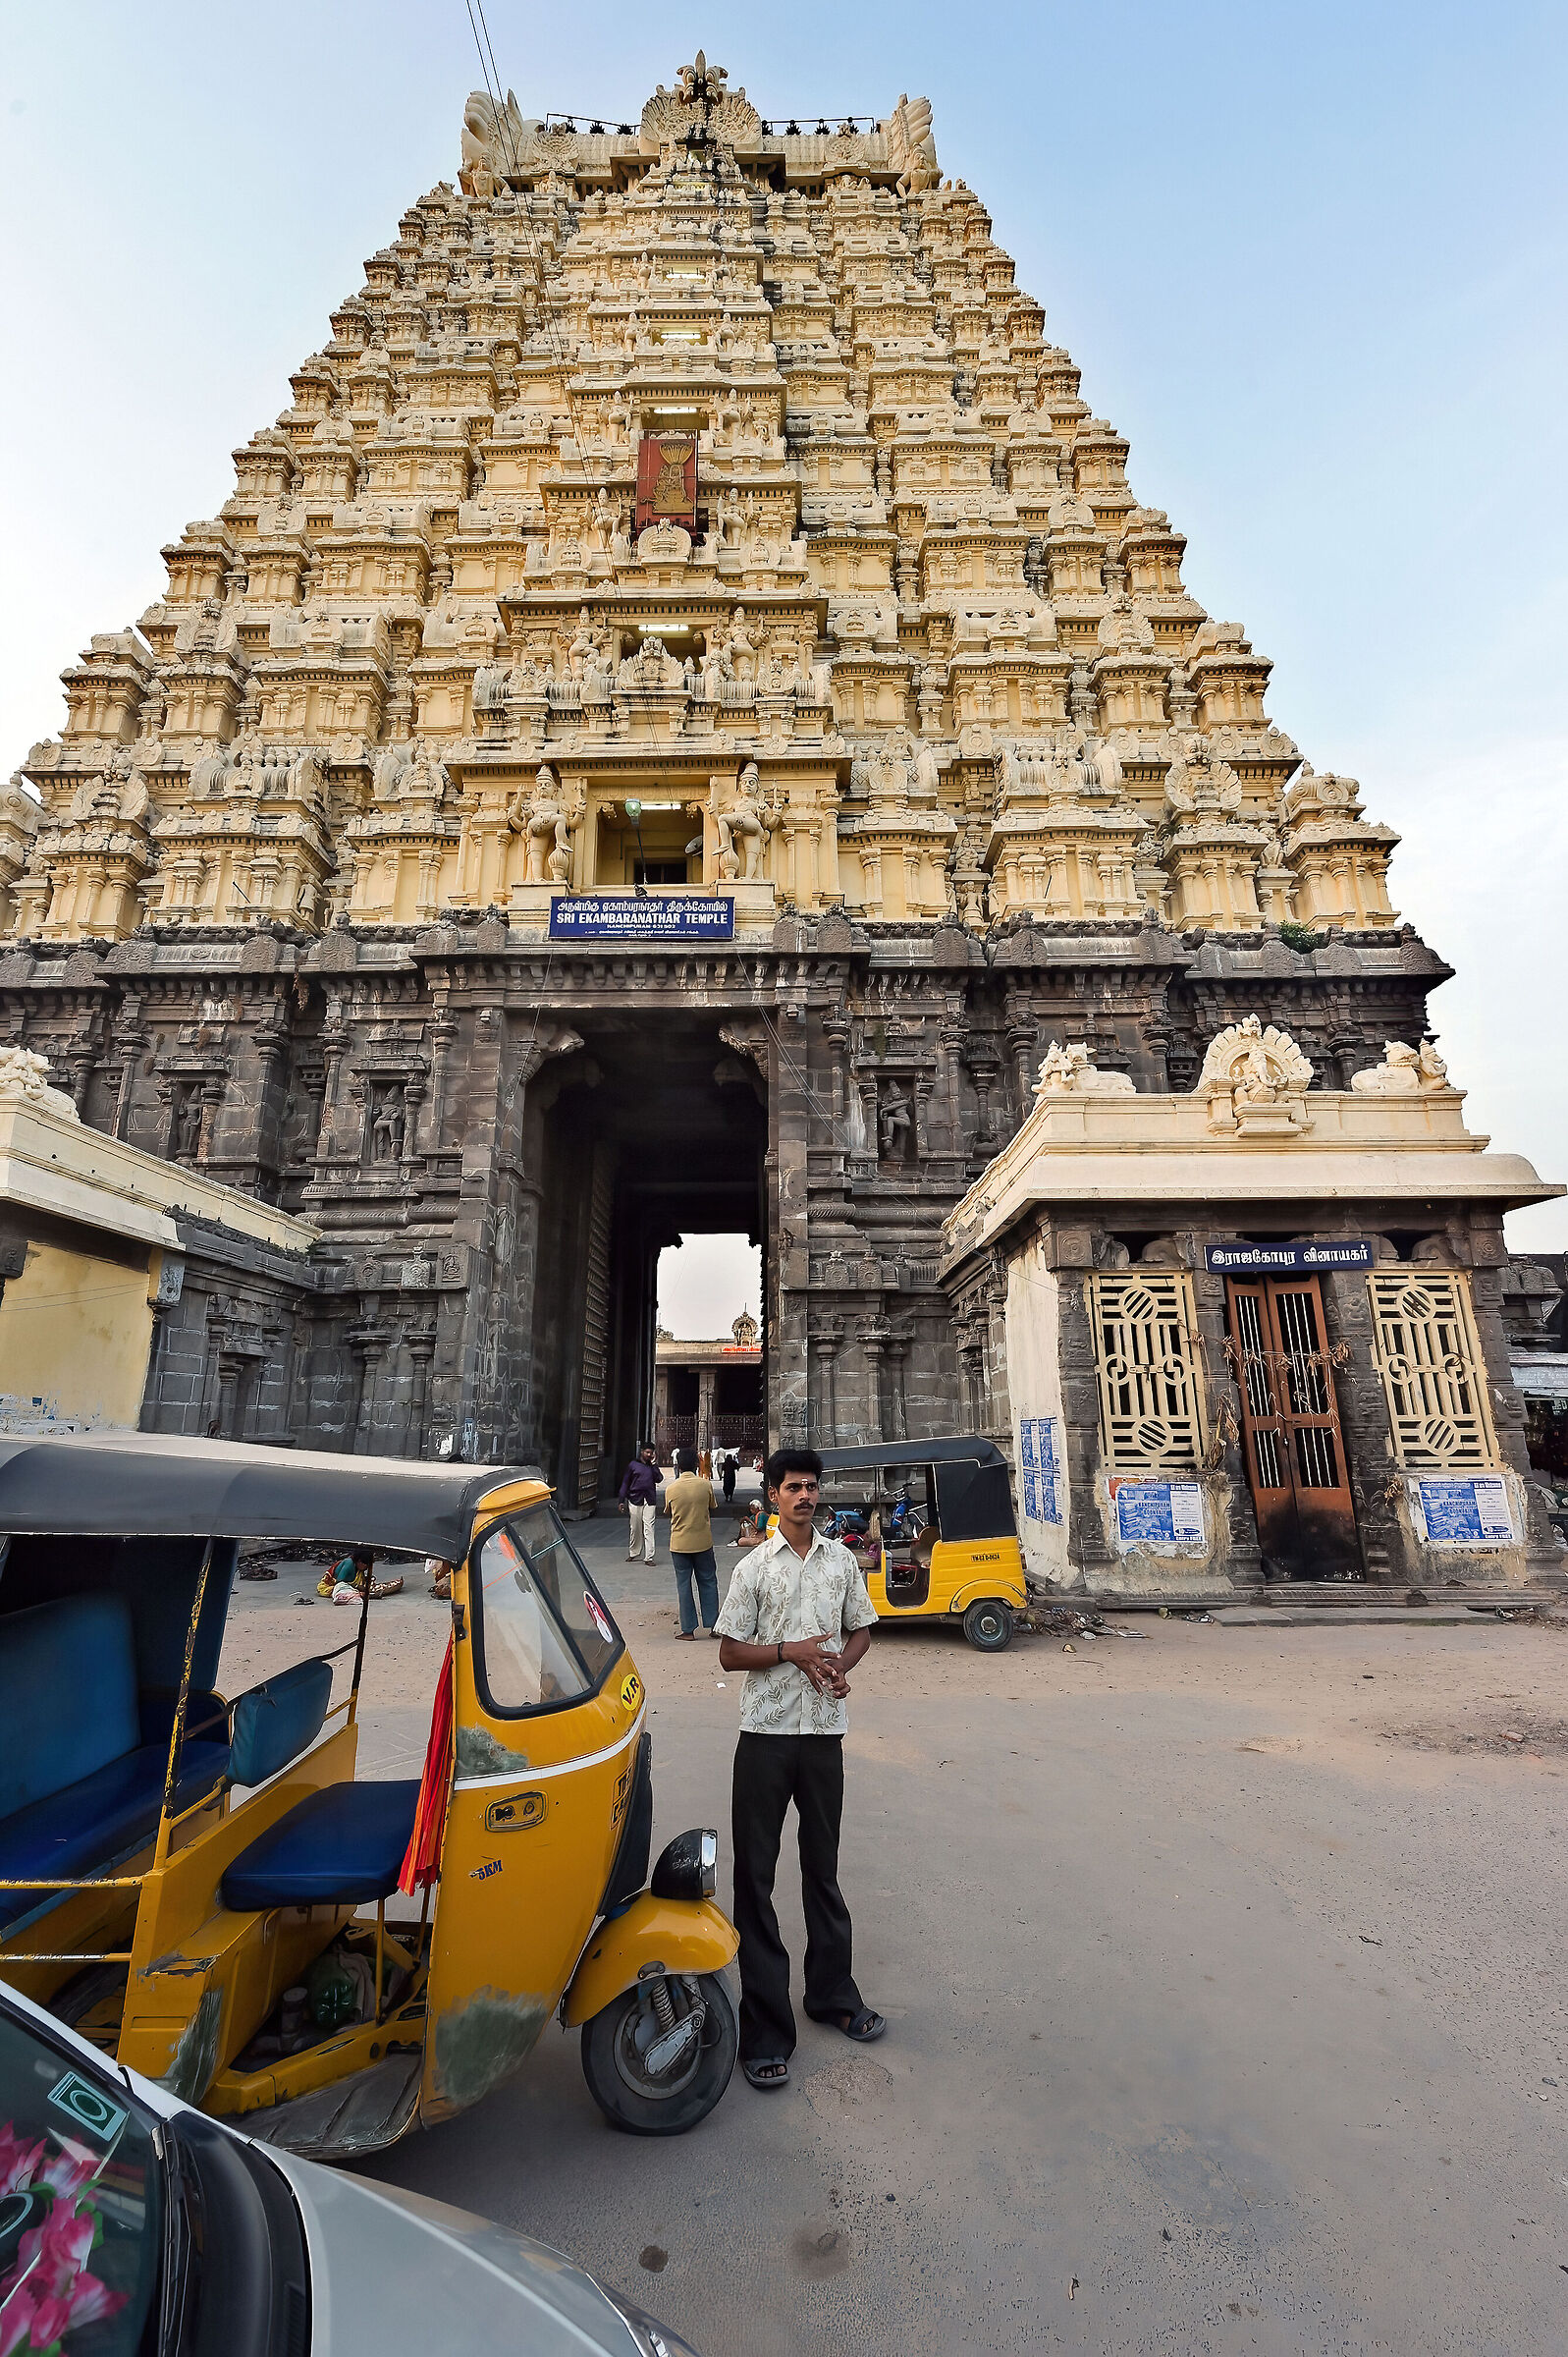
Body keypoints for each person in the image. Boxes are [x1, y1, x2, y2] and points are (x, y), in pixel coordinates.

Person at [715, 1446, 886, 2092]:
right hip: (763, 1735)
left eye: (811, 1486)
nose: (804, 1495)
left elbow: (861, 1629)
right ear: (773, 1496)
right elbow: (729, 1654)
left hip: (821, 1737)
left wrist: (841, 1665)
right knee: (754, 1880)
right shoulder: (754, 1568)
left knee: (823, 1868)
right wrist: (792, 1652)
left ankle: (832, 1995)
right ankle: (763, 2026)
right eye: (792, 1487)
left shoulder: (842, 1561)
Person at [662, 1446, 720, 1640]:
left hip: (679, 1543)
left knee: (684, 1585)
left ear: (678, 1465)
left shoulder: (671, 1488)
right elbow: (712, 1507)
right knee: (708, 1581)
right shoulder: (705, 1485)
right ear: (697, 1464)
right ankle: (714, 1626)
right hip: (703, 1541)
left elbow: (668, 1512)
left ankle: (688, 1630)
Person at [619, 1443, 662, 1563]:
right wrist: (621, 1500)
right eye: (647, 1452)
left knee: (649, 1527)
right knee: (635, 1528)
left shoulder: (652, 1467)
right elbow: (625, 1483)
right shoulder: (633, 1465)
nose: (649, 1455)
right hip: (635, 1499)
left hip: (650, 1499)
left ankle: (649, 1557)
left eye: (651, 1453)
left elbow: (659, 1478)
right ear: (642, 1451)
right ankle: (634, 1552)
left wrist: (654, 1465)